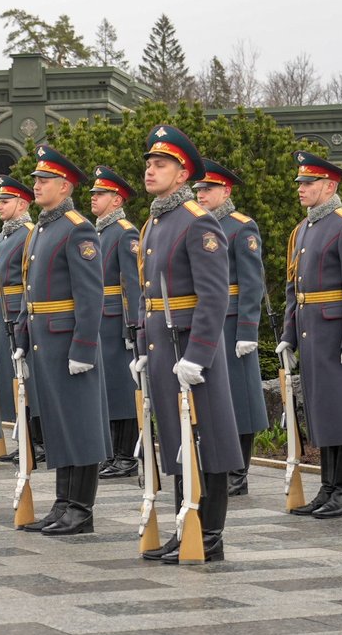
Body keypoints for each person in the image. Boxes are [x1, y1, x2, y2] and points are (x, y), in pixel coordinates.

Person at [137, 125, 241, 562]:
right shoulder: (156, 221)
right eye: (149, 164)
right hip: (165, 346)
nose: (150, 170)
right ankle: (186, 525)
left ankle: (209, 533)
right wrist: (144, 347)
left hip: (191, 350)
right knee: (180, 441)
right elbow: (148, 293)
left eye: (161, 165)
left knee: (207, 439)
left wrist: (198, 354)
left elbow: (214, 295)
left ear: (182, 175)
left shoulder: (199, 222)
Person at [16, 145, 110, 535]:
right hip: (44, 340)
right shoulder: (42, 226)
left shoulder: (77, 227)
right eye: (36, 180)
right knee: (57, 423)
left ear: (65, 185)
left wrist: (84, 346)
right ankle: (61, 502)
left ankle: (81, 508)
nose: (36, 186)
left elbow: (90, 293)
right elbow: (28, 288)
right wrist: (22, 335)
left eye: (44, 180)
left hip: (68, 340)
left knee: (80, 424)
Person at [280, 150, 342, 520]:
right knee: (324, 412)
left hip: (337, 334)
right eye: (300, 183)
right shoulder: (305, 228)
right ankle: (328, 487)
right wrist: (289, 335)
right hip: (312, 332)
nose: (301, 189)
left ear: (329, 185)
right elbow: (296, 288)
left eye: (308, 183)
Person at [194, 161, 268, 494]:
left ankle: (238, 473)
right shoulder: (197, 225)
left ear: (226, 191)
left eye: (207, 189)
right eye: (198, 189)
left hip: (233, 320)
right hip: (206, 320)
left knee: (240, 398)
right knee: (214, 398)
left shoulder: (241, 227)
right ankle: (220, 466)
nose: (201, 194)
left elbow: (253, 282)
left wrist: (248, 331)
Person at [90, 165, 145, 480]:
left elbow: (133, 283)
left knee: (123, 390)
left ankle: (125, 456)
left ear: (117, 198)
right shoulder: (100, 231)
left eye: (101, 194)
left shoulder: (125, 232)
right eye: (94, 193)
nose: (94, 198)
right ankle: (111, 452)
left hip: (116, 321)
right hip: (101, 319)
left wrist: (133, 326)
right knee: (107, 390)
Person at [0, 176, 33, 462]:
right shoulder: (2, 237)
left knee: (27, 380)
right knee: (12, 379)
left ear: (21, 203)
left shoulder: (29, 233)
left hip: (18, 312)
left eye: (5, 201)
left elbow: (30, 280)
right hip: (1, 312)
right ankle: (25, 439)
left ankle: (35, 441)